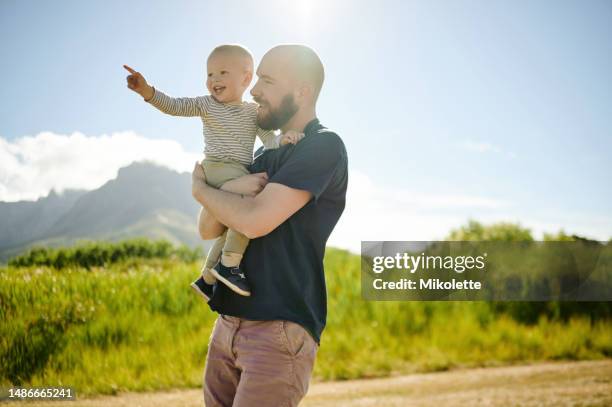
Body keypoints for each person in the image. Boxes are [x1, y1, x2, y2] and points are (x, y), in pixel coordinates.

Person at [191, 44, 348, 407]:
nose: (254, 89)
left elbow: (255, 221)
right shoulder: (260, 153)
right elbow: (208, 227)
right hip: (227, 325)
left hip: (278, 329)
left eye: (267, 79)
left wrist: (202, 189)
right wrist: (226, 189)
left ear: (302, 92)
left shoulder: (323, 147)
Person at [124, 44, 303, 297]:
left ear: (245, 78)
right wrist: (147, 91)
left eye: (222, 73)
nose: (214, 80)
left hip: (237, 172)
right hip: (217, 168)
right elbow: (174, 106)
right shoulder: (207, 105)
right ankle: (230, 264)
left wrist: (285, 139)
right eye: (209, 74)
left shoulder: (253, 112)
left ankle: (207, 277)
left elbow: (269, 140)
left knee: (233, 223)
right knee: (247, 210)